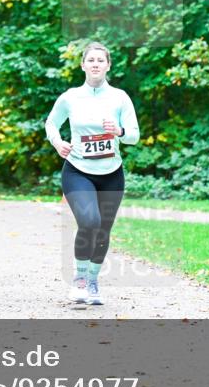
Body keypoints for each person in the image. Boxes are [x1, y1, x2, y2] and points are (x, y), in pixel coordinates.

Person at [45, 42, 139, 305]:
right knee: (89, 221)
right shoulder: (70, 97)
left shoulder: (120, 97)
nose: (96, 64)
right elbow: (51, 122)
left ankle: (94, 282)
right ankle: (80, 280)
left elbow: (134, 136)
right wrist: (57, 142)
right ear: (83, 65)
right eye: (91, 60)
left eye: (101, 60)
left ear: (108, 65)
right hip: (78, 170)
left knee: (103, 230)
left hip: (111, 172)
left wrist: (119, 131)